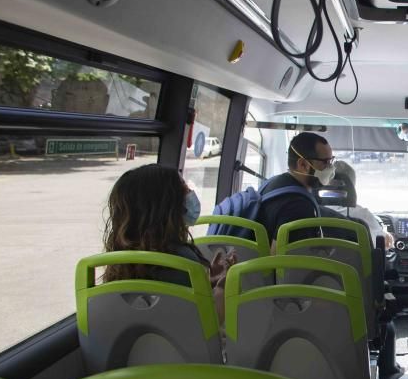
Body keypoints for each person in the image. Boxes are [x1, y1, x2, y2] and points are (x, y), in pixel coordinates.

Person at [102, 164, 234, 316]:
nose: (190, 194)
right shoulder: (183, 262)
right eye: (185, 190)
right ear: (169, 206)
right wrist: (223, 287)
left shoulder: (120, 264)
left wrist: (206, 283)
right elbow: (203, 324)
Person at [326, 160, 404, 379]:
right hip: (358, 299)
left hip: (312, 294)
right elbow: (381, 249)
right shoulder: (361, 216)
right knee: (385, 317)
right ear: (352, 185)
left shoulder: (305, 213)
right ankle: (387, 370)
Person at [256, 131, 336, 250]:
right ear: (303, 164)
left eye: (331, 161)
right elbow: (280, 262)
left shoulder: (272, 184)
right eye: (325, 162)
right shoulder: (299, 206)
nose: (331, 168)